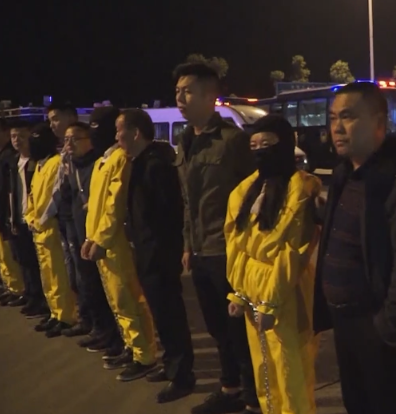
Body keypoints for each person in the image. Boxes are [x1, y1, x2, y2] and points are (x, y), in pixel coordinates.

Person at [314, 81, 396, 414]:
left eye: (348, 117)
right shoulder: (343, 174)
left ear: (379, 122)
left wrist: (388, 326)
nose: (337, 128)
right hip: (344, 322)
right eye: (333, 117)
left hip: (377, 326)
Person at [172, 62, 260, 414]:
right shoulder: (185, 140)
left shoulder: (233, 141)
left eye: (188, 91)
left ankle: (253, 396)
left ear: (210, 96)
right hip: (200, 250)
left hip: (228, 251)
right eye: (177, 92)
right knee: (217, 328)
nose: (180, 98)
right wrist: (187, 244)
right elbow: (188, 201)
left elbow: (253, 196)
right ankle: (231, 388)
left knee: (238, 327)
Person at [225, 114, 320, 414]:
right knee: (264, 368)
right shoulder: (244, 190)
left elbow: (293, 250)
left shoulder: (300, 189)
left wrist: (270, 302)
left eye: (267, 145)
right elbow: (235, 243)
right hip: (252, 293)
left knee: (292, 372)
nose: (259, 151)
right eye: (254, 145)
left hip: (287, 294)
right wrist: (239, 292)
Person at [116, 109, 196, 403]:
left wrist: (166, 252)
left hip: (159, 254)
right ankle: (171, 363)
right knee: (161, 314)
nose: (116, 137)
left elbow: (167, 215)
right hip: (148, 251)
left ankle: (182, 376)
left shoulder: (155, 166)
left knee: (170, 314)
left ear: (135, 133)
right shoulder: (141, 162)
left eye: (119, 130)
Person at [81, 106, 157, 382]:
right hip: (103, 241)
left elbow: (114, 205)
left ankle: (145, 355)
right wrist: (91, 237)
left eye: (115, 129)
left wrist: (100, 239)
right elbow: (97, 205)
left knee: (128, 298)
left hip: (116, 242)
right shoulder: (103, 161)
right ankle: (131, 346)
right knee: (116, 299)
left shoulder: (119, 160)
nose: (113, 135)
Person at [65, 122, 121, 354]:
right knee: (86, 283)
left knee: (105, 287)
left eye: (75, 139)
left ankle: (112, 335)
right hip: (80, 231)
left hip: (99, 235)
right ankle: (99, 329)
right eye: (66, 140)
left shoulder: (99, 163)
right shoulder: (71, 165)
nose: (69, 144)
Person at [24, 124, 77, 337]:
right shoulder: (39, 166)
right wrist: (30, 218)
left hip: (51, 228)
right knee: (47, 275)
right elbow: (32, 197)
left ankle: (65, 315)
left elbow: (54, 196)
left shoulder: (55, 163)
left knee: (58, 276)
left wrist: (42, 219)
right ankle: (55, 312)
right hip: (38, 229)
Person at [7, 121, 47, 318]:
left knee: (37, 263)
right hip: (20, 217)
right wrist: (13, 218)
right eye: (14, 136)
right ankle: (31, 295)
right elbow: (12, 192)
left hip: (35, 219)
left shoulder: (37, 161)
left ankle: (41, 300)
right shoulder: (14, 161)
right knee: (23, 260)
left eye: (22, 136)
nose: (17, 140)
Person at [46, 103, 80, 327]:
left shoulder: (85, 149)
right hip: (65, 219)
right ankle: (81, 317)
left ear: (71, 117)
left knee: (82, 273)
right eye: (50, 120)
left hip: (78, 221)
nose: (52, 125)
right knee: (71, 272)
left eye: (56, 118)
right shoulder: (60, 152)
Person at [0, 119, 25, 306]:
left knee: (11, 253)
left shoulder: (9, 157)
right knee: (4, 254)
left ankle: (18, 288)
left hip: (7, 210)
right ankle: (11, 286)